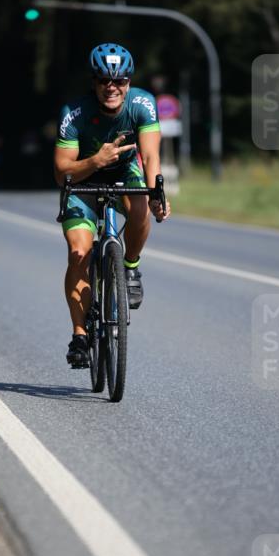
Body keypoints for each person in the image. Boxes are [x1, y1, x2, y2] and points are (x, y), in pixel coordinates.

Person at [54, 43, 171, 368]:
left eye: (120, 81)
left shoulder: (143, 104)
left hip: (124, 173)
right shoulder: (74, 113)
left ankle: (130, 267)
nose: (112, 87)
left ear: (129, 82)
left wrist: (157, 192)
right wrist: (95, 159)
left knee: (140, 207)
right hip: (82, 181)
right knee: (79, 253)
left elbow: (150, 156)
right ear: (94, 81)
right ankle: (79, 335)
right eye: (105, 80)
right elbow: (62, 170)